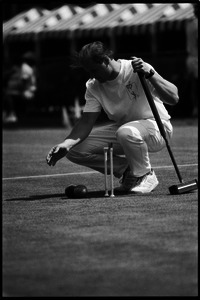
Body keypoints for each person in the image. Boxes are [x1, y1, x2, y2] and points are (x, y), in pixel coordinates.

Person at [46, 41, 179, 194]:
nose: (93, 75)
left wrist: (151, 74)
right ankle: (129, 171)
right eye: (89, 72)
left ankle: (145, 175)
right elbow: (86, 121)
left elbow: (174, 98)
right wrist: (66, 143)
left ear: (106, 60)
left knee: (126, 131)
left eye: (94, 70)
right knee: (74, 150)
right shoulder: (93, 86)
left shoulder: (135, 68)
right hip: (125, 132)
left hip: (158, 128)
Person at [3, 52, 37, 124]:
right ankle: (9, 114)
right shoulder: (17, 67)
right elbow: (7, 76)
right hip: (23, 90)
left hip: (28, 91)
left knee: (8, 94)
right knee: (8, 93)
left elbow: (23, 83)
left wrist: (14, 89)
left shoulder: (26, 68)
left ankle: (12, 114)